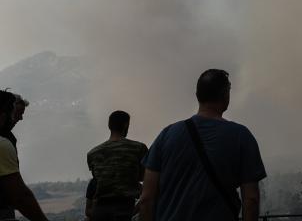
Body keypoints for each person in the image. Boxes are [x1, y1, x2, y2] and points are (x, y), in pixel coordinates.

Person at [138, 69, 266, 221]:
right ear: (225, 95)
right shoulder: (241, 136)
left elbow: (146, 199)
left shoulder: (166, 135)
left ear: (197, 95)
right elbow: (251, 200)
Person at [87, 111, 147, 221]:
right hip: (125, 209)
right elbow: (143, 177)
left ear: (109, 126)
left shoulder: (93, 153)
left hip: (99, 212)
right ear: (126, 125)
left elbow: (97, 180)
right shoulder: (138, 148)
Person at [0, 90, 48, 221]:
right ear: (3, 115)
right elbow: (20, 196)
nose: (19, 118)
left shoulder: (9, 139)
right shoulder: (4, 144)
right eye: (14, 113)